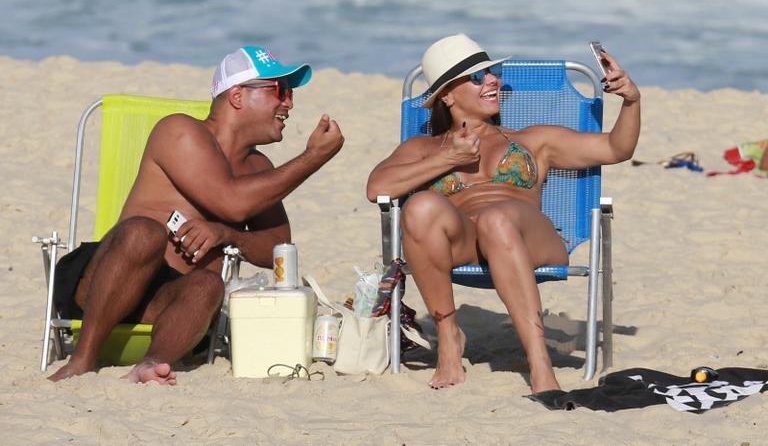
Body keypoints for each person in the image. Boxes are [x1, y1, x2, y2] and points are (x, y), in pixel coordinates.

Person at [49, 46, 344, 384]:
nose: (289, 103)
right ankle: (82, 359)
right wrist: (312, 158)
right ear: (237, 96)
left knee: (208, 284)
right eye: (280, 90)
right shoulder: (180, 131)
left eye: (289, 93)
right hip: (107, 282)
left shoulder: (258, 168)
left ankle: (152, 364)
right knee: (146, 233)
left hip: (167, 303)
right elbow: (232, 203)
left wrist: (229, 235)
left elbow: (279, 251)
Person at [366, 34, 640, 392]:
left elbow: (616, 148)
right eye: (478, 77)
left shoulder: (531, 141)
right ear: (447, 95)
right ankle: (449, 334)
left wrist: (632, 100)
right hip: (465, 243)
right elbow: (377, 188)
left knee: (497, 218)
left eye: (492, 72)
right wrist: (448, 158)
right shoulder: (423, 148)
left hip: (529, 239)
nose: (493, 80)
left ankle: (539, 361)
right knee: (418, 207)